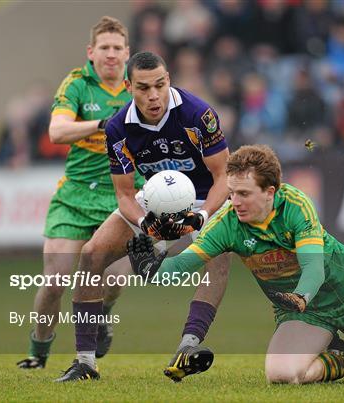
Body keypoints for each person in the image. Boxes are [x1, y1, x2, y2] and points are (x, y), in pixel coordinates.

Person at [128, 144, 344, 384]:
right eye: (231, 192)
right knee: (281, 375)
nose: (234, 202)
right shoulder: (226, 223)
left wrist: (301, 294)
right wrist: (150, 268)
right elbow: (183, 265)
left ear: (270, 192)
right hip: (302, 310)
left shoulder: (296, 206)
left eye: (243, 193)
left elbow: (313, 268)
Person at [55, 51, 232, 382]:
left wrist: (203, 216)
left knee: (218, 262)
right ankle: (85, 363)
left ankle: (187, 347)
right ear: (128, 87)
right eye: (144, 88)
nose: (154, 96)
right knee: (92, 254)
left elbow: (224, 175)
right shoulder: (120, 127)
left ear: (169, 81)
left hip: (204, 199)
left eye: (160, 85)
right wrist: (144, 223)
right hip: (152, 200)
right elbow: (124, 194)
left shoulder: (198, 114)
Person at [17, 16, 143, 369]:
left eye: (118, 48)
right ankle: (38, 352)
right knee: (55, 282)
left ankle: (100, 313)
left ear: (127, 53)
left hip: (120, 196)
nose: (111, 54)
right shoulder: (77, 84)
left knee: (115, 278)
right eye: (104, 48)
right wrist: (103, 124)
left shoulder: (140, 87)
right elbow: (56, 132)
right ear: (91, 52)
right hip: (73, 198)